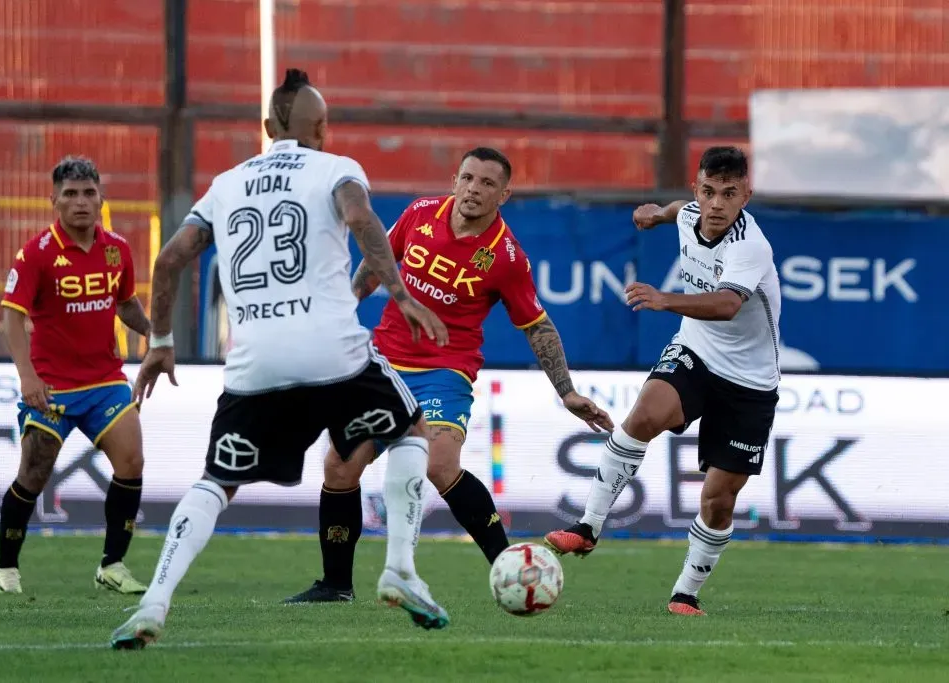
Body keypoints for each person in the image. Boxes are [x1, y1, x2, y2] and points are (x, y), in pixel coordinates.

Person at [110, 68, 452, 650]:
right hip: (332, 351)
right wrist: (399, 294)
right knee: (412, 430)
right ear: (320, 127)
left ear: (268, 127)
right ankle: (400, 569)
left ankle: (152, 604)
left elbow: (169, 263)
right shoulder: (336, 169)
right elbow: (360, 218)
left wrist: (161, 342)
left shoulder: (225, 184)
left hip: (254, 362)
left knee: (217, 481)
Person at [284, 147, 614, 604]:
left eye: (486, 183)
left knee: (439, 463)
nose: (474, 190)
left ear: (504, 194)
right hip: (382, 365)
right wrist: (340, 313)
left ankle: (513, 567)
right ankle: (336, 585)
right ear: (454, 179)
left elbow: (536, 325)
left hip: (444, 372)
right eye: (468, 178)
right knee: (339, 466)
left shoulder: (506, 257)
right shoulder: (420, 212)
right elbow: (377, 264)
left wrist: (567, 391)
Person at [544, 146, 781, 616]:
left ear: (745, 196)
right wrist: (656, 214)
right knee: (643, 415)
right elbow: (677, 211)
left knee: (718, 498)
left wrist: (663, 298)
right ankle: (588, 527)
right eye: (708, 191)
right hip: (696, 352)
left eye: (729, 194)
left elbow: (725, 305)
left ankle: (685, 593)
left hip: (750, 381)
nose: (716, 204)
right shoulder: (689, 211)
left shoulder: (750, 246)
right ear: (697, 189)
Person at [0, 156, 150, 595]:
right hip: (52, 386)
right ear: (54, 201)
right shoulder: (36, 254)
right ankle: (6, 566)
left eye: (88, 193)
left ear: (100, 198)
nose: (81, 202)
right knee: (34, 474)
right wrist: (27, 378)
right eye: (71, 194)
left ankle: (112, 565)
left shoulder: (117, 247)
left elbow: (125, 304)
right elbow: (11, 317)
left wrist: (156, 337)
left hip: (105, 382)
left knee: (132, 461)